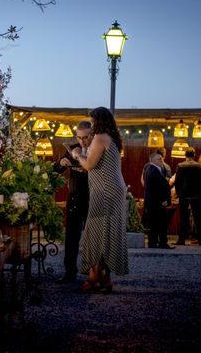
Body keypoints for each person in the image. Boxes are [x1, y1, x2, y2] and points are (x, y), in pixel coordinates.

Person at [72, 106, 129, 293]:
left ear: (99, 121)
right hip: (115, 189)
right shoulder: (112, 139)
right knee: (108, 233)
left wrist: (77, 155)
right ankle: (105, 279)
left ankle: (94, 279)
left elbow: (89, 164)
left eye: (93, 121)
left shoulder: (99, 137)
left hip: (104, 190)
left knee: (94, 232)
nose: (92, 124)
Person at [53, 120, 92, 283]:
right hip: (75, 197)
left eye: (85, 137)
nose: (82, 141)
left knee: (94, 238)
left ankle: (94, 274)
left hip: (93, 197)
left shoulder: (97, 149)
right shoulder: (73, 148)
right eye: (79, 137)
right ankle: (70, 272)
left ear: (92, 135)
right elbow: (56, 168)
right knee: (71, 238)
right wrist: (61, 163)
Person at [174, 147, 201, 245]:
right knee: (198, 217)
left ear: (185, 155)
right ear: (194, 155)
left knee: (183, 218)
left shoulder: (180, 165)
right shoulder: (199, 166)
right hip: (196, 195)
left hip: (184, 195)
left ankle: (181, 239)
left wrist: (178, 193)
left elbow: (178, 182)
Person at [143, 152, 174, 249]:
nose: (162, 160)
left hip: (153, 202)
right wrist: (164, 199)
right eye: (160, 159)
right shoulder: (154, 170)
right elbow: (157, 188)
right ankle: (162, 243)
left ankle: (153, 242)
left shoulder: (150, 169)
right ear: (154, 160)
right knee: (160, 223)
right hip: (157, 202)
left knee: (155, 223)